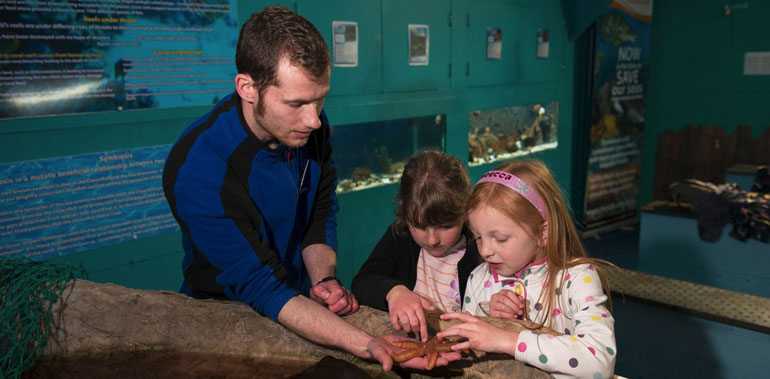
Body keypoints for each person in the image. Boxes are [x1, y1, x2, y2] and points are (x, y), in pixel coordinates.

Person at [162, 6, 457, 371]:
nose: (314, 119)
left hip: (299, 302)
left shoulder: (307, 128)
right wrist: (367, 344)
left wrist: (324, 279)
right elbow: (260, 287)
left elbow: (319, 207)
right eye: (297, 103)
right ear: (247, 88)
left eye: (320, 99)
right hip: (223, 314)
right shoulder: (198, 170)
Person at [437, 160, 617, 378]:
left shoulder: (578, 278)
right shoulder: (479, 278)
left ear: (543, 233)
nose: (484, 251)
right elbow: (470, 356)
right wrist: (492, 320)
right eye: (477, 236)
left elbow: (600, 361)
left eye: (500, 239)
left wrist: (506, 339)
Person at [352, 150, 482, 342]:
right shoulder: (401, 236)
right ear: (404, 213)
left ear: (465, 211)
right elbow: (362, 282)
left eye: (445, 226)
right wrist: (394, 291)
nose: (432, 240)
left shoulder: (480, 248)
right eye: (419, 226)